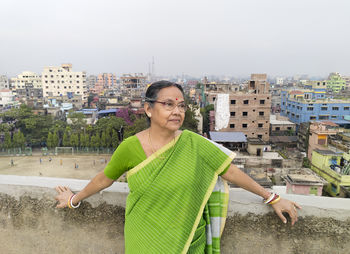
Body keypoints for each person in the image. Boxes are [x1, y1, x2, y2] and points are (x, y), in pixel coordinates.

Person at [55, 81, 301, 253]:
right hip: (145, 239)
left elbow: (230, 172)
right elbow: (104, 179)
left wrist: (272, 197)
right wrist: (74, 199)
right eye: (169, 104)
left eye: (181, 105)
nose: (177, 111)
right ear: (148, 109)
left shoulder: (193, 143)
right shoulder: (130, 147)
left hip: (189, 238)